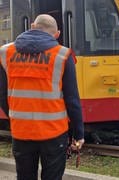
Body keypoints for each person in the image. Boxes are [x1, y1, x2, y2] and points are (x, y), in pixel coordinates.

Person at [0, 14, 84, 180]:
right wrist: (78, 134)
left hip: (21, 131)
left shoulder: (5, 52)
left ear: (32, 26)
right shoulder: (62, 55)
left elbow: (2, 94)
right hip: (53, 133)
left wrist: (15, 117)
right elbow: (72, 100)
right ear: (57, 34)